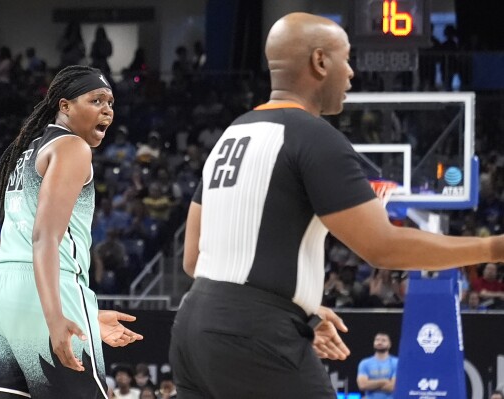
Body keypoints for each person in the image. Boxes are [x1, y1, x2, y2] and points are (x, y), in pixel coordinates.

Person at [169, 12, 504, 399]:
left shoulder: (232, 135)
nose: (351, 73)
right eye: (346, 58)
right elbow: (383, 248)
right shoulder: (314, 136)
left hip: (192, 329)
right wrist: (491, 248)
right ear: (320, 61)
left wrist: (302, 310)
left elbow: (192, 259)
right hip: (253, 333)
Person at [0, 65, 143, 399]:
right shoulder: (72, 147)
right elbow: (45, 237)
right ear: (64, 106)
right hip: (47, 290)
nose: (107, 109)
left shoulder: (28, 152)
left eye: (110, 103)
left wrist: (88, 316)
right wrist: (56, 316)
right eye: (96, 100)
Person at [356, 333, 398, 399]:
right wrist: (384, 381)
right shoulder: (364, 363)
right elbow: (362, 385)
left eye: (383, 340)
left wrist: (371, 385)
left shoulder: (396, 362)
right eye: (377, 340)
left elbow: (393, 387)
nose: (380, 342)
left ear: (389, 344)